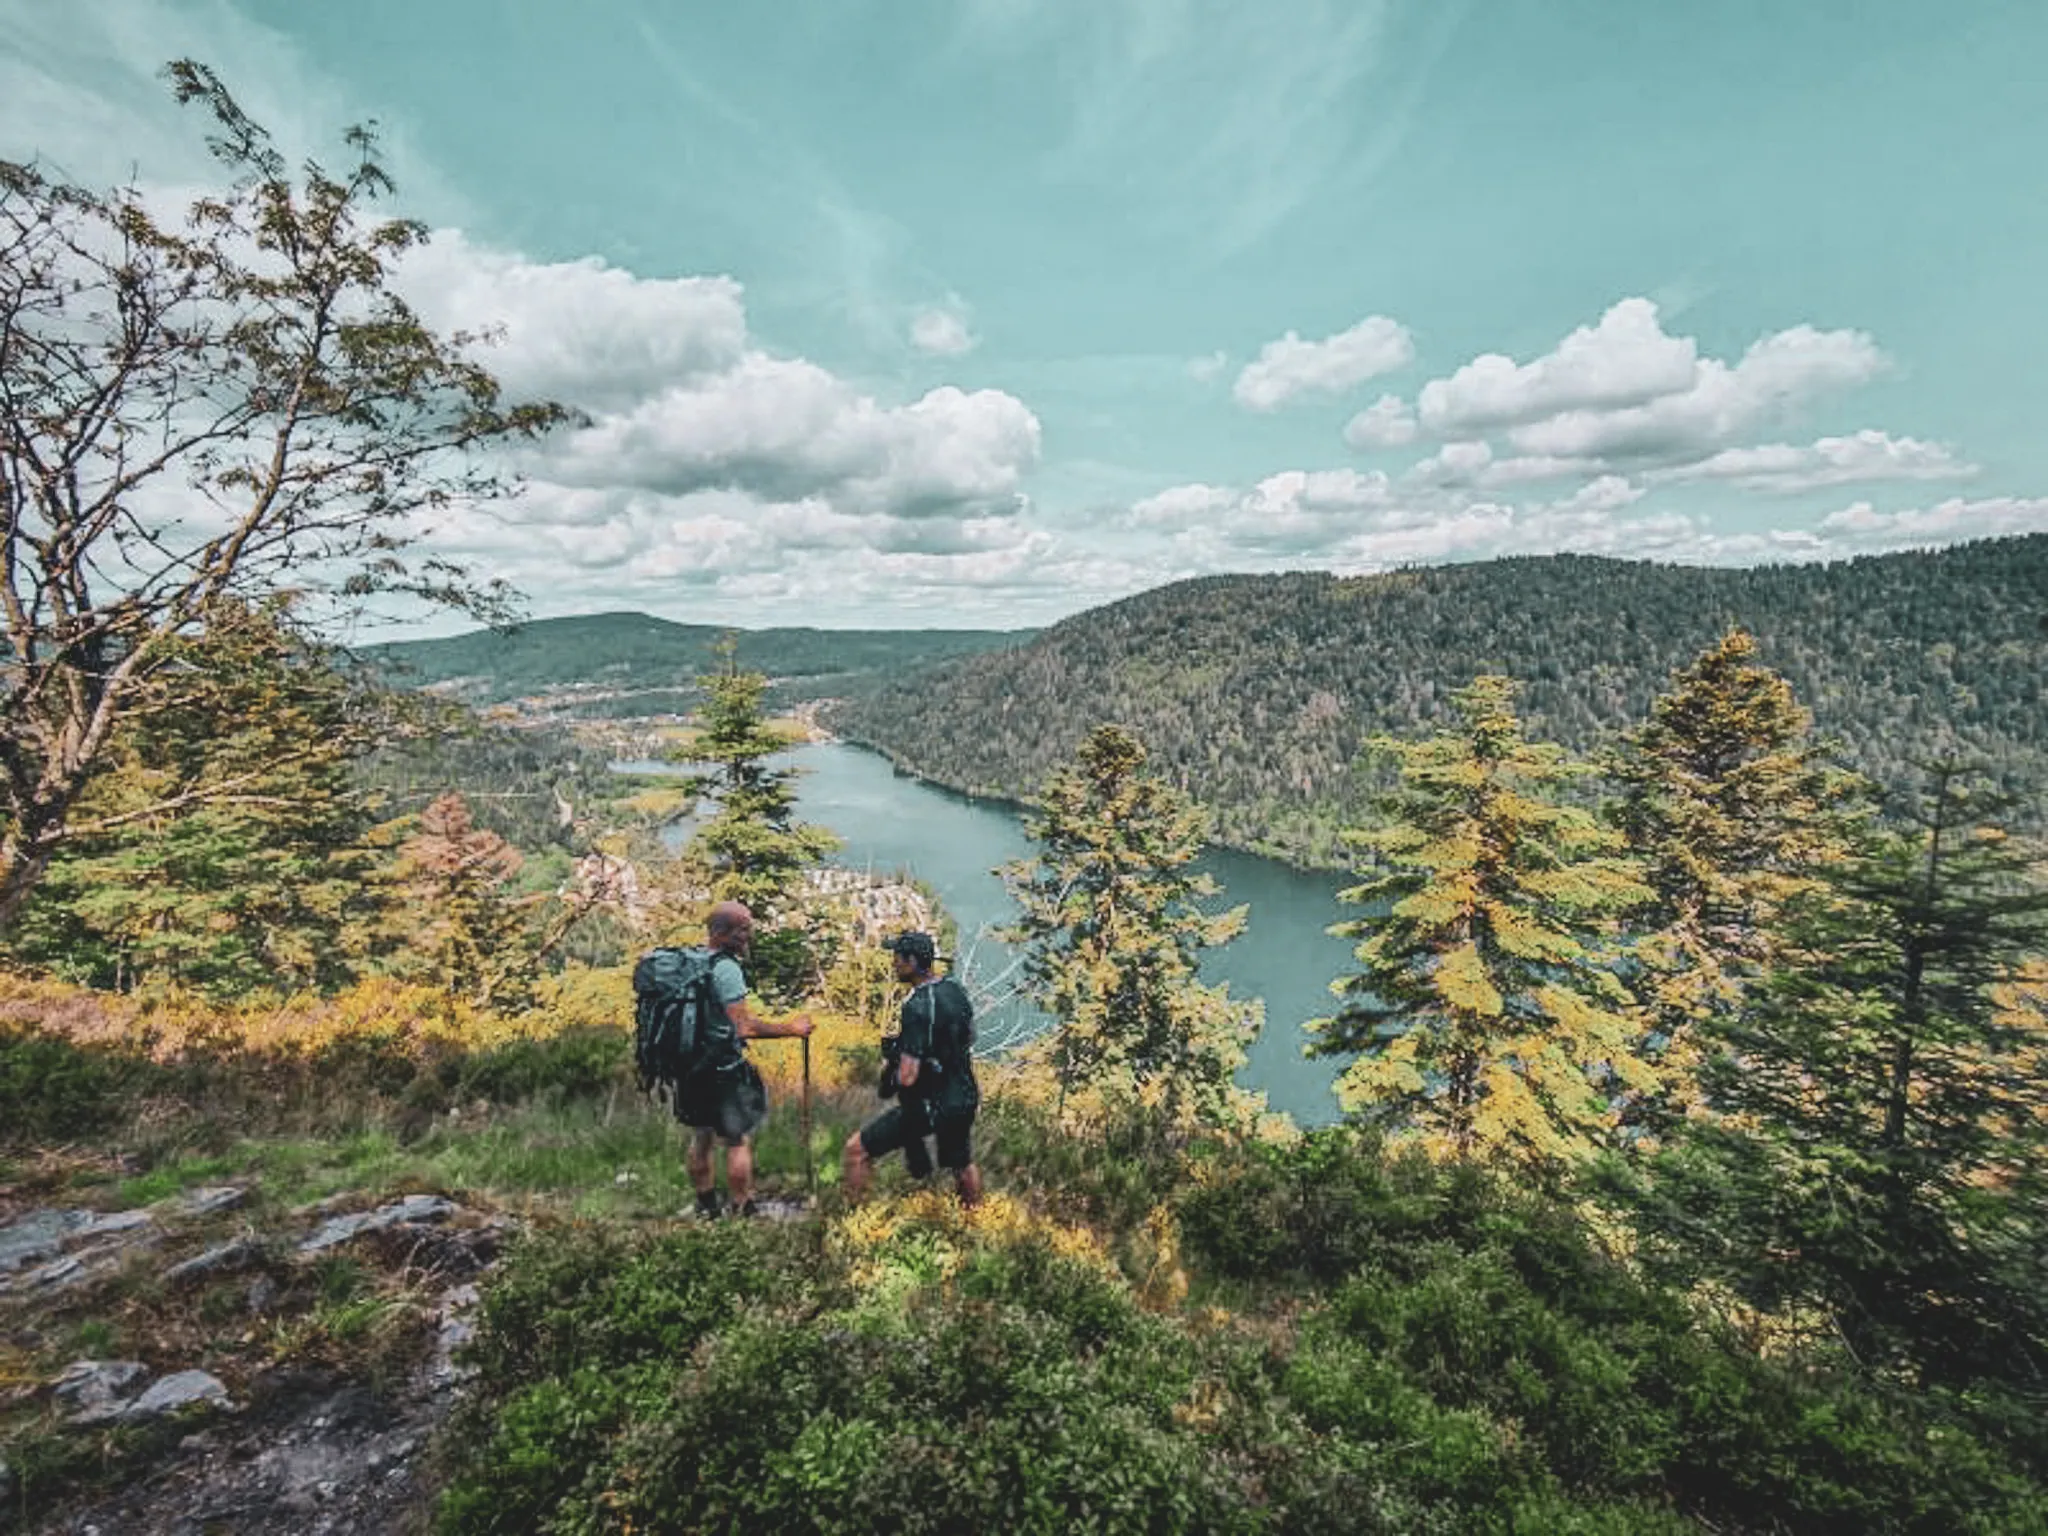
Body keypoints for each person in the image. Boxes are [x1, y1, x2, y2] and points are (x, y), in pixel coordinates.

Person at [683, 900, 814, 1218]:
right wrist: (792, 1029)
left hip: (688, 1065)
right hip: (721, 1068)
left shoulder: (693, 962)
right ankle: (742, 1206)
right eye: (743, 930)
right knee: (736, 1139)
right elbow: (742, 1026)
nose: (748, 936)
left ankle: (706, 1205)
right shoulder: (726, 969)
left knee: (701, 1136)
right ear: (723, 932)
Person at [844, 931, 982, 1207]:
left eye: (897, 958)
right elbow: (970, 1036)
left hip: (932, 1105)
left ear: (912, 962)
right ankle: (974, 1219)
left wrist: (892, 1069)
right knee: (962, 1163)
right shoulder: (954, 988)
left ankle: (856, 1221)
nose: (893, 963)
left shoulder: (916, 1007)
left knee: (856, 1150)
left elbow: (908, 1077)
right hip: (964, 1096)